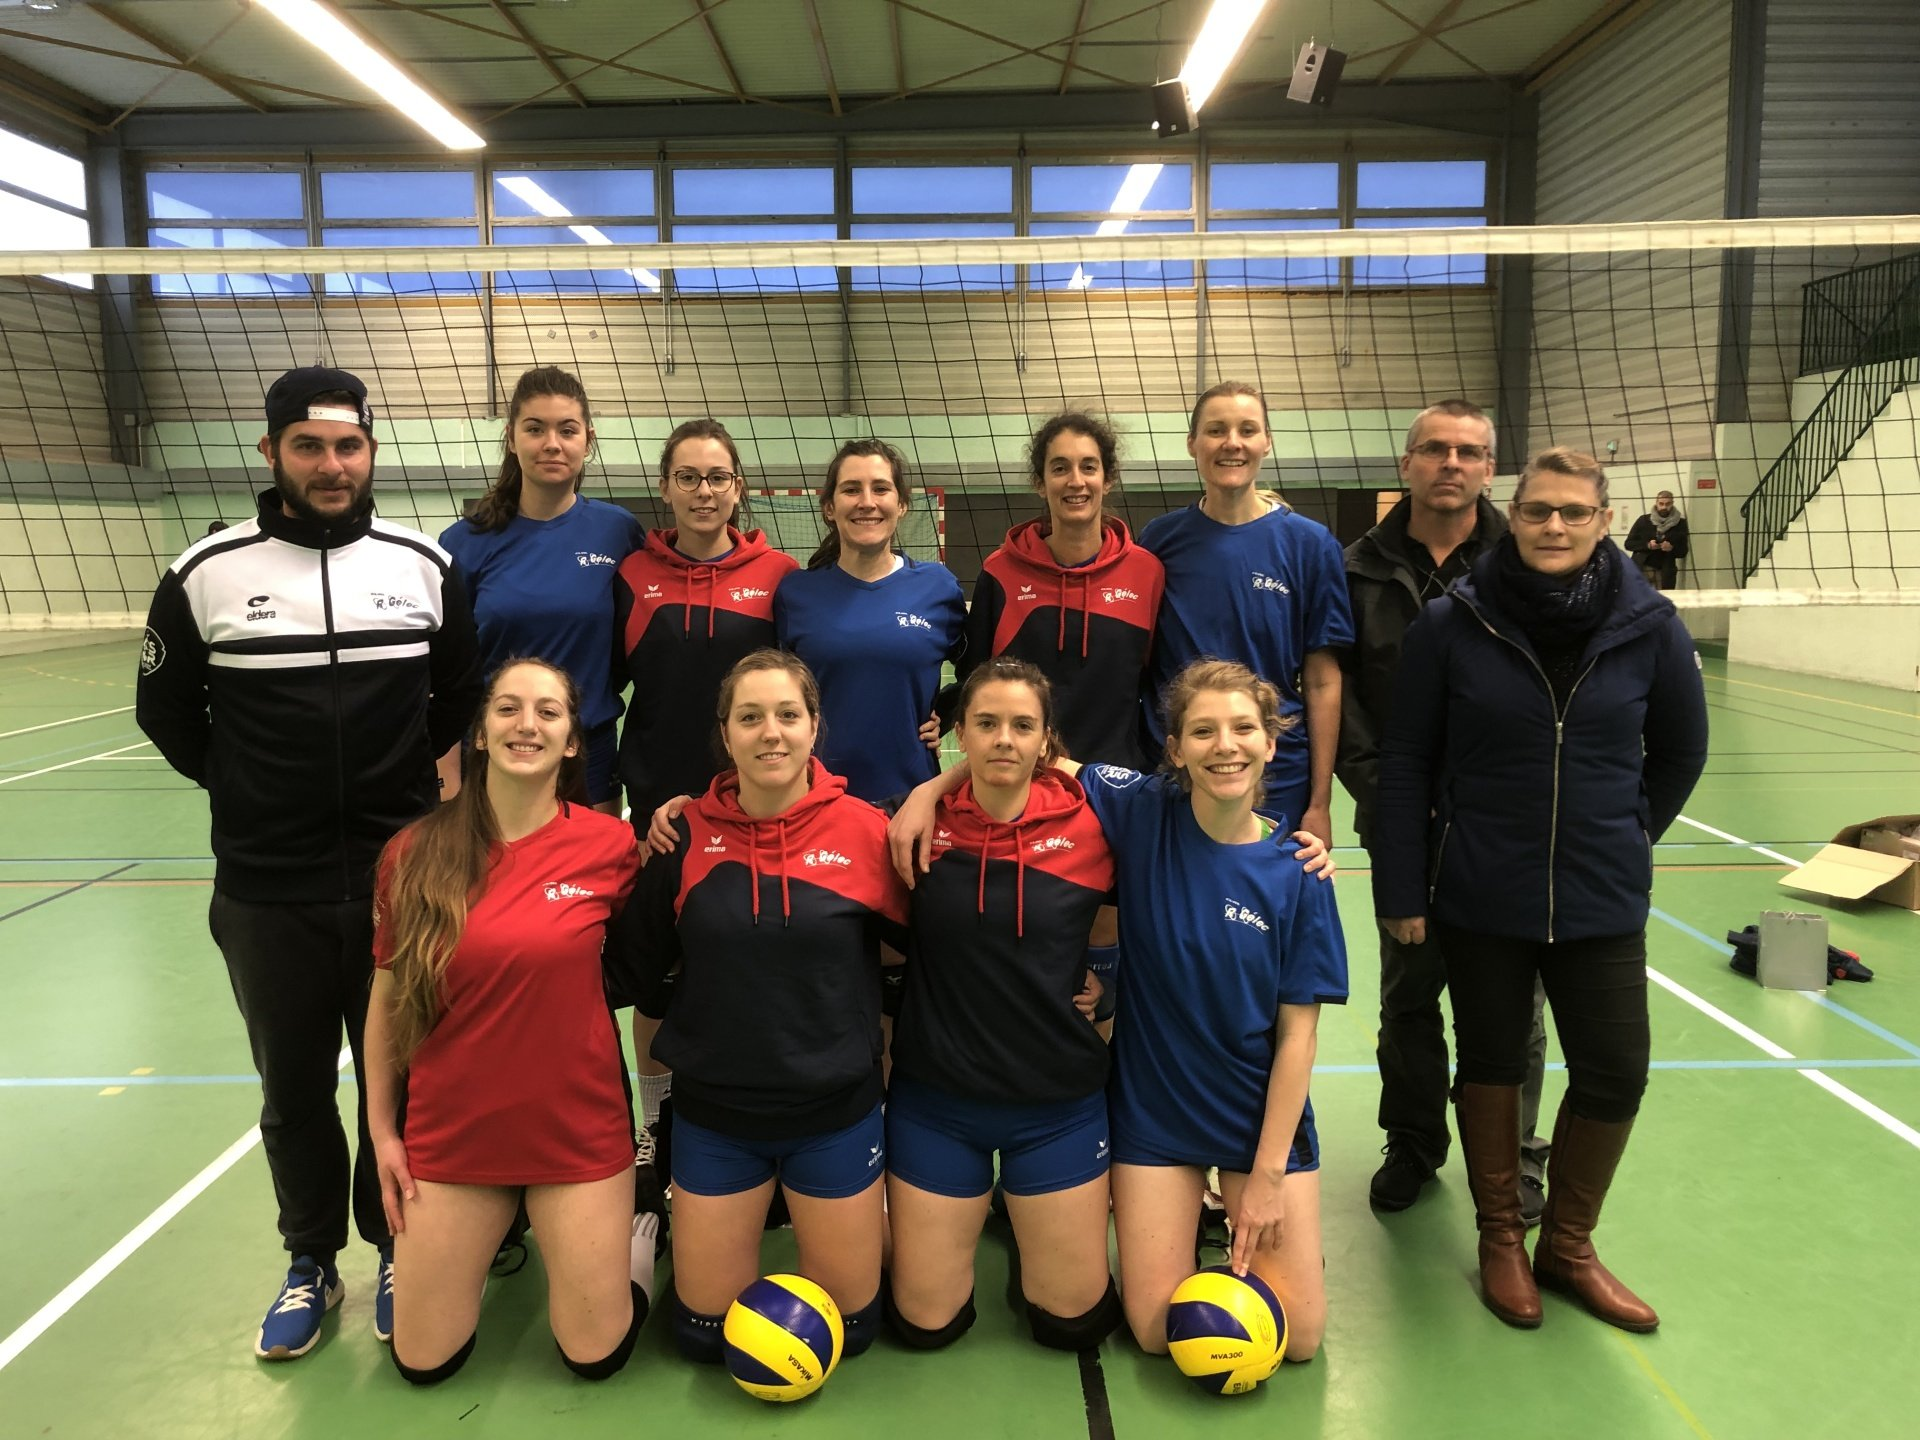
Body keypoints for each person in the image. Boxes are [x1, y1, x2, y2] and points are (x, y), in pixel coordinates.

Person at [134, 365, 482, 1359]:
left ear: (371, 450)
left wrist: (404, 796)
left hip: (401, 879)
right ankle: (311, 1262)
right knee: (292, 1088)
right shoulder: (206, 573)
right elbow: (167, 714)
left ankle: (396, 1254)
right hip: (266, 886)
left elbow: (455, 694)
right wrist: (247, 792)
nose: (332, 466)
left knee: (404, 1085)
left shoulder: (422, 566)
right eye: (310, 447)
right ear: (272, 452)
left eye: (348, 446)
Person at [891, 660, 1345, 1367]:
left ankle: (1223, 1219)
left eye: (1242, 729)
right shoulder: (1140, 810)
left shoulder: (1298, 870)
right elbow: (1013, 753)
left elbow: (1298, 1039)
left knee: (1300, 1341)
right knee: (1158, 1333)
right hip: (1154, 1111)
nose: (1224, 745)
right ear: (1175, 748)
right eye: (1203, 731)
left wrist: (1264, 1180)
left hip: (1256, 1116)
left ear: (1270, 742)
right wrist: (931, 785)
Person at [1373, 447, 1708, 1333]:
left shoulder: (1650, 625)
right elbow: (1406, 759)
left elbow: (1680, 752)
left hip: (1600, 896)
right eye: (1537, 511)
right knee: (1488, 1060)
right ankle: (1500, 1242)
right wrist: (1404, 885)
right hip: (1483, 888)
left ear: (1603, 522)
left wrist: (1628, 834)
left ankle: (1569, 1245)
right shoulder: (1455, 621)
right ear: (1510, 517)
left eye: (1572, 512)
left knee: (1616, 1068)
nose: (1553, 527)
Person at [609, 650, 907, 1366]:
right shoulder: (683, 837)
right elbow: (625, 973)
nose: (770, 732)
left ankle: (882, 1211)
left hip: (834, 1112)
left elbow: (925, 953)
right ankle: (646, 1230)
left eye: (787, 715)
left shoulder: (866, 831)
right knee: (701, 1339)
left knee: (853, 1335)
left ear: (814, 728)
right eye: (751, 717)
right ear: (726, 731)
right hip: (718, 1116)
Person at [364, 659, 654, 1384]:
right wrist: (381, 1133)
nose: (528, 724)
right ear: (482, 733)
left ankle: (639, 1241)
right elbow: (388, 1000)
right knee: (422, 1360)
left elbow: (649, 965)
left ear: (573, 742)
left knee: (595, 1354)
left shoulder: (611, 847)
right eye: (509, 709)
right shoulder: (415, 852)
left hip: (575, 1128)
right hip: (453, 1133)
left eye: (549, 712)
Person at [1336, 400, 1551, 1219]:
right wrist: (1387, 795)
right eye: (1435, 449)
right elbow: (1340, 693)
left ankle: (1517, 1158)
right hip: (1402, 826)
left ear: (1490, 467)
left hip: (1505, 828)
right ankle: (1416, 1143)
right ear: (1407, 462)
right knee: (1408, 1001)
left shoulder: (1532, 556)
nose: (1451, 464)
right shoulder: (1357, 566)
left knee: (1514, 1010)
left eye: (1469, 451)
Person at [883, 657, 1123, 1354]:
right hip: (938, 1101)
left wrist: (1104, 986)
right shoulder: (912, 828)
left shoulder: (1092, 825)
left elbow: (1192, 808)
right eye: (985, 724)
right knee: (927, 1325)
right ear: (960, 733)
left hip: (1056, 1103)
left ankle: (1030, 1230)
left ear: (1048, 740)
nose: (1003, 740)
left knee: (1069, 1324)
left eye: (1023, 726)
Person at [610, 419, 798, 1215]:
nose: (704, 491)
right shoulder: (629, 576)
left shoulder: (779, 576)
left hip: (757, 811)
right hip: (658, 816)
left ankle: (774, 1126)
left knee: (758, 964)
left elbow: (803, 689)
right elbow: (599, 687)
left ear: (739, 487)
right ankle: (655, 1126)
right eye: (688, 477)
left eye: (717, 476)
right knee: (656, 982)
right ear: (665, 488)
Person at [1139, 381, 1352, 844]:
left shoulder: (1310, 546)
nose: (1231, 443)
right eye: (1216, 430)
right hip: (1178, 773)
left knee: (1270, 910)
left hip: (1277, 776)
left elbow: (1322, 680)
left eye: (1247, 429)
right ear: (1193, 443)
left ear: (1266, 441)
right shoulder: (1157, 543)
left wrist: (1319, 803)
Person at [439, 365, 644, 814]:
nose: (552, 443)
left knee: (592, 881)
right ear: (512, 438)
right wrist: (448, 773)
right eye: (535, 429)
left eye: (567, 430)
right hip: (499, 750)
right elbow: (447, 672)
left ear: (587, 441)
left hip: (588, 748)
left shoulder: (619, 532)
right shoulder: (464, 542)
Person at [956, 412, 1164, 768]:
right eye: (1060, 468)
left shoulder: (1146, 573)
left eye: (1088, 466)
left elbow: (1157, 685)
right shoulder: (1000, 572)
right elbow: (972, 688)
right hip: (1023, 785)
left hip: (1116, 786)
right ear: (1040, 482)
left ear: (1108, 478)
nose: (1076, 481)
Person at [774, 439, 964, 803]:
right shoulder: (795, 594)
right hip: (814, 800)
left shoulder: (938, 588)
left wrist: (945, 711)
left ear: (902, 503)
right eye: (851, 489)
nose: (867, 501)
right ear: (830, 507)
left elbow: (978, 672)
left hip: (914, 802)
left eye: (880, 488)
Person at [1625, 490, 1689, 590]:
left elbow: (1683, 551)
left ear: (1672, 503)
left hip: (1665, 571)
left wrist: (1671, 548)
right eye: (1661, 504)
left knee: (1662, 600)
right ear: (1656, 503)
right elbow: (1628, 544)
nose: (1664, 507)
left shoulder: (1680, 524)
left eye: (1667, 504)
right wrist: (1648, 545)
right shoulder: (1644, 521)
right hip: (1642, 567)